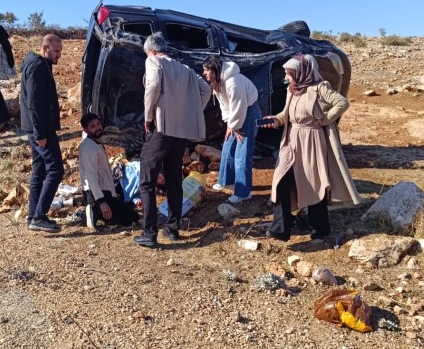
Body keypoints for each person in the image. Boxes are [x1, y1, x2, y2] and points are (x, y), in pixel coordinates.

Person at [260, 54, 361, 242]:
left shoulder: (320, 87)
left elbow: (342, 102)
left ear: (302, 72)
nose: (286, 77)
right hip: (291, 140)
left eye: (289, 73)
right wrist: (275, 120)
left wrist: (324, 120)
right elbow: (285, 114)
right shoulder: (292, 90)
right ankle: (281, 228)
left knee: (313, 183)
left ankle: (320, 228)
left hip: (312, 140)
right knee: (280, 181)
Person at [134, 32, 211, 248]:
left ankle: (149, 233)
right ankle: (172, 228)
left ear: (151, 50)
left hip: (161, 129)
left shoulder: (153, 61)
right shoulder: (185, 69)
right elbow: (205, 90)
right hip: (180, 133)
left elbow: (153, 86)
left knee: (148, 180)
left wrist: (149, 117)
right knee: (175, 179)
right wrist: (191, 111)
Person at [202, 55, 261, 203]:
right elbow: (224, 105)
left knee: (242, 153)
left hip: (249, 113)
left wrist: (234, 127)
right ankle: (226, 181)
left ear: (214, 70)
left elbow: (240, 106)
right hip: (237, 115)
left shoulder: (233, 82)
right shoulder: (218, 82)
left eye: (206, 70)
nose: (204, 73)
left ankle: (243, 193)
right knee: (228, 146)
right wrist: (229, 124)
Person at [20, 34, 64, 233]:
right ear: (45, 49)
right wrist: (40, 133)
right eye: (56, 52)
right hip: (41, 129)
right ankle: (39, 216)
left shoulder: (41, 64)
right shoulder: (37, 66)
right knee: (56, 169)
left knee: (39, 171)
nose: (59, 56)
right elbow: (34, 104)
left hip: (38, 128)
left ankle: (33, 216)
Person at [78, 113, 140, 230]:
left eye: (98, 124)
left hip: (104, 191)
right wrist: (101, 202)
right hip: (97, 194)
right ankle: (95, 211)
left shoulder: (95, 142)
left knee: (130, 213)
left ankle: (95, 212)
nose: (97, 128)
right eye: (93, 126)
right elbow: (90, 176)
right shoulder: (89, 147)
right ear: (86, 129)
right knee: (130, 217)